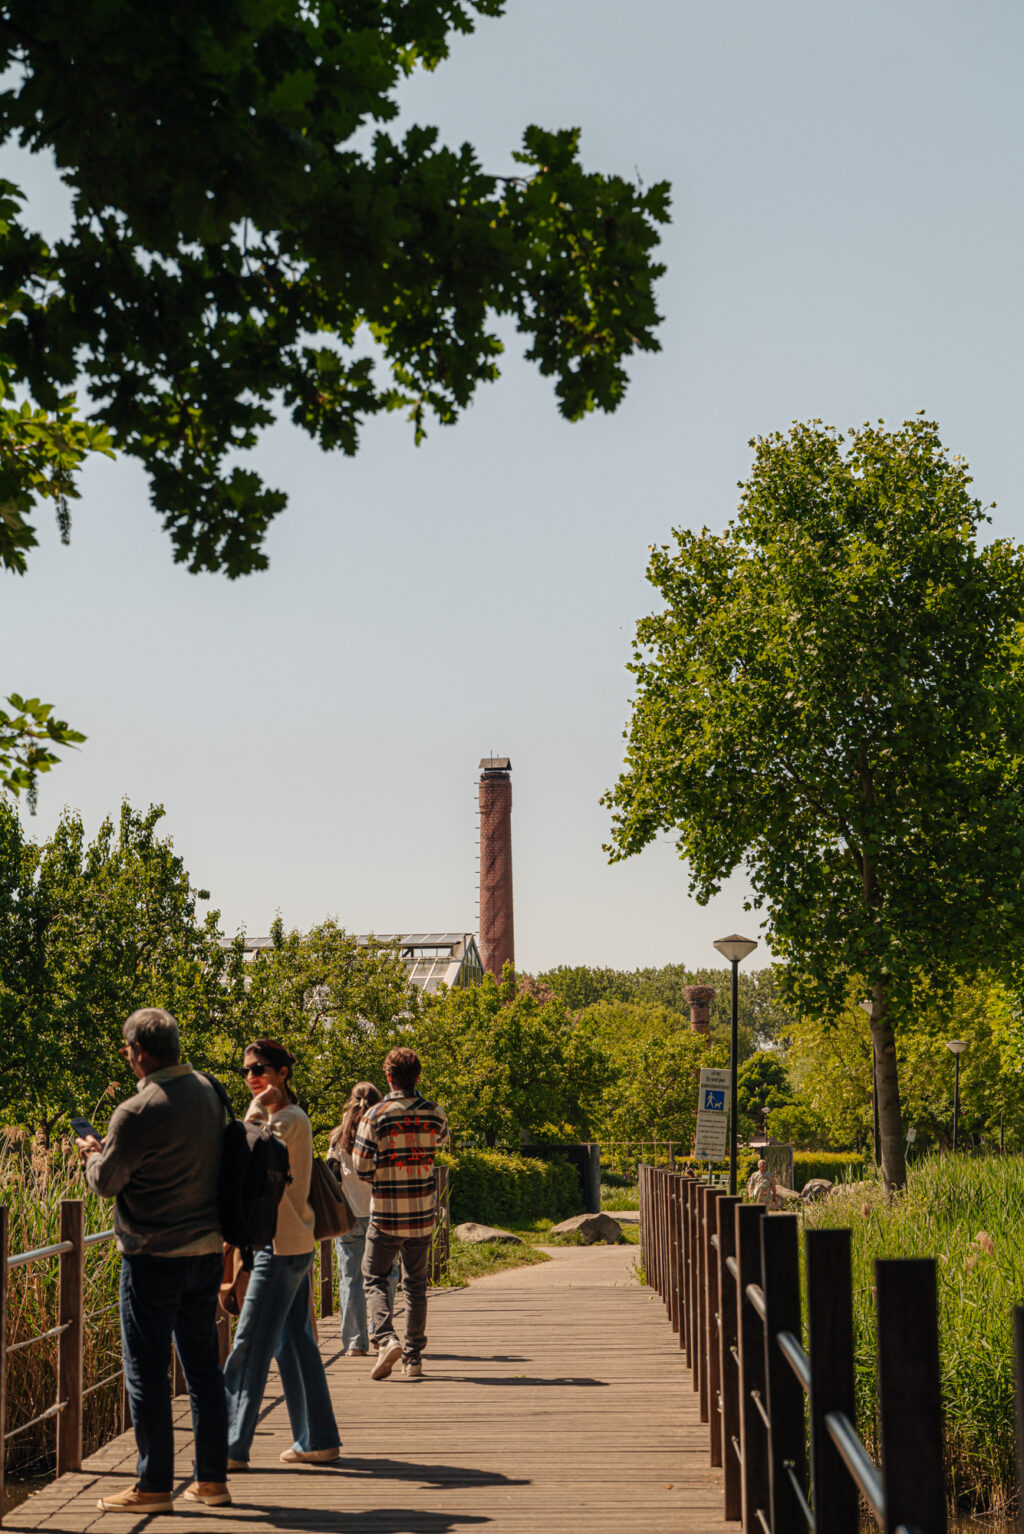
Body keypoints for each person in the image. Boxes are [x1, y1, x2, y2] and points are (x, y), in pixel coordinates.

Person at [78, 1008, 229, 1513]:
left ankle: (154, 1486)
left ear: (139, 1052)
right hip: (206, 1251)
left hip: (152, 1257)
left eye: (127, 1050)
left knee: (145, 1370)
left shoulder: (137, 1110)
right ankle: (211, 1481)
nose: (127, 1058)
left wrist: (92, 1154)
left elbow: (106, 1182)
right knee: (204, 1369)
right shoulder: (209, 1092)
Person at [222, 1038, 341, 1469]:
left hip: (279, 1248)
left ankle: (228, 1447)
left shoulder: (287, 1120)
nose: (252, 1077)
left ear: (282, 1074)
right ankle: (318, 1439)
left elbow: (244, 1154)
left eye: (260, 1069)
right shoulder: (288, 1119)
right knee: (294, 1343)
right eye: (247, 1071)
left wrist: (255, 1111)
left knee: (249, 1344)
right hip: (291, 1245)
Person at [353, 1046, 449, 1382]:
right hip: (422, 1213)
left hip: (386, 1214)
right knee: (416, 1284)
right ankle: (413, 1358)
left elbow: (361, 1165)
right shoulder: (435, 1113)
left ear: (388, 1076)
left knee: (375, 1277)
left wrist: (379, 1176)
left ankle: (385, 1338)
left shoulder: (375, 1115)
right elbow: (439, 1143)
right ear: (418, 1076)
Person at [326, 1082, 396, 1356]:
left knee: (350, 1278)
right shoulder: (384, 1133)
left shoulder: (338, 1137)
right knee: (386, 1276)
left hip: (348, 1217)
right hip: (382, 1215)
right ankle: (381, 1334)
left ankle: (355, 1342)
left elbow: (332, 1177)